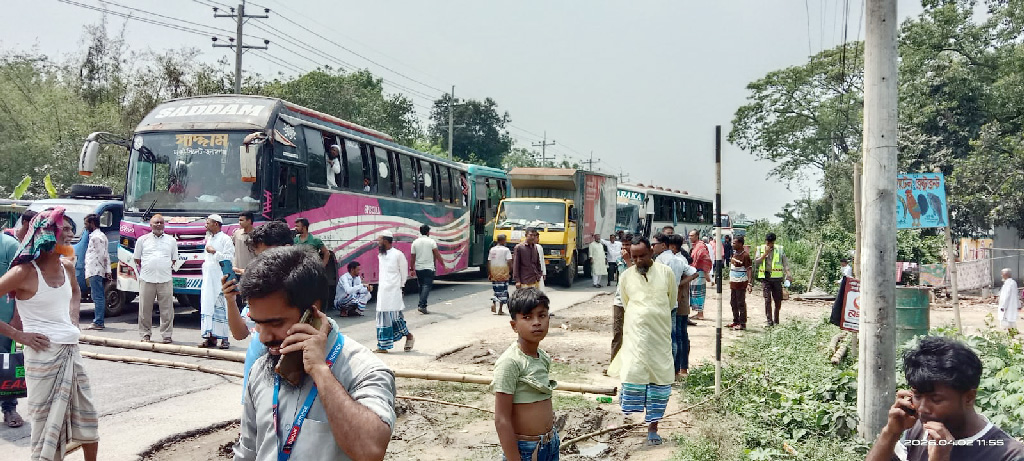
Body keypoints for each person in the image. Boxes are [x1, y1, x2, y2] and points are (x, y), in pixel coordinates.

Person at [233, 246, 396, 461]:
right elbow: (248, 451)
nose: (263, 337)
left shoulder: (365, 371)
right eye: (257, 323)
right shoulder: (261, 368)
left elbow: (370, 451)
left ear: (312, 313)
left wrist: (321, 372)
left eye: (275, 323)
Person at [0, 208, 99, 460]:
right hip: (42, 359)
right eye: (64, 229)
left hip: (71, 352)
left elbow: (76, 293)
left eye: (70, 229)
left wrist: (73, 318)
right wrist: (18, 335)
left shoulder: (67, 267)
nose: (70, 234)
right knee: (45, 429)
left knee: (87, 421)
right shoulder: (24, 273)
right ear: (46, 235)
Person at [865, 336, 1024, 461]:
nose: (922, 408)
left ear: (969, 397)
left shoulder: (1008, 454)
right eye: (918, 396)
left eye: (936, 399)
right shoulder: (918, 431)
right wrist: (891, 432)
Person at [608, 237, 678, 446]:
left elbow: (672, 301)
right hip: (635, 337)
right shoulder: (626, 276)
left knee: (659, 382)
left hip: (660, 338)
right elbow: (626, 303)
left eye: (642, 256)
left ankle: (653, 428)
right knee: (633, 375)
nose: (638, 260)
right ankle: (628, 417)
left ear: (651, 253)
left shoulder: (666, 273)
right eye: (634, 256)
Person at [222, 221, 293, 403]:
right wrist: (230, 301)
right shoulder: (260, 288)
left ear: (287, 249)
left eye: (267, 255)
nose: (263, 263)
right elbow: (240, 333)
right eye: (259, 257)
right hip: (254, 387)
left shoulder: (298, 293)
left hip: (282, 389)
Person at [493, 288, 559, 461]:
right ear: (514, 325)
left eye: (542, 315)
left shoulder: (542, 357)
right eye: (527, 317)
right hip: (525, 450)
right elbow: (501, 419)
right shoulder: (510, 362)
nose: (536, 322)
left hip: (549, 443)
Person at [653, 234, 698, 380]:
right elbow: (694, 273)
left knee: (665, 337)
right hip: (674, 303)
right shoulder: (678, 260)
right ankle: (674, 370)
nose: (653, 247)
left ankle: (668, 370)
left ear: (664, 245)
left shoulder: (660, 261)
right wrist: (678, 284)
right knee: (675, 336)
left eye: (655, 244)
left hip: (662, 303)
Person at [132, 214, 178, 343]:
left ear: (164, 225)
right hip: (147, 278)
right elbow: (137, 258)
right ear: (150, 225)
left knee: (167, 309)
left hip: (165, 279)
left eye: (161, 222)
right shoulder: (142, 240)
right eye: (156, 222)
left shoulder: (171, 241)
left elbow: (174, 259)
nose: (159, 225)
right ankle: (145, 334)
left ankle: (167, 335)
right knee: (144, 309)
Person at [373, 231, 414, 353]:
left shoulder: (398, 254)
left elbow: (403, 272)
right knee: (383, 318)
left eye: (379, 240)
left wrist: (401, 287)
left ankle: (409, 336)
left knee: (396, 318)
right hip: (383, 292)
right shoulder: (381, 255)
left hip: (394, 291)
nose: (378, 243)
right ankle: (382, 346)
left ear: (385, 241)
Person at [199, 214, 234, 349]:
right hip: (208, 278)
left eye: (208, 223)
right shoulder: (209, 238)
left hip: (220, 278)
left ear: (216, 224)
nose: (206, 225)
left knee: (222, 307)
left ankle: (224, 339)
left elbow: (228, 258)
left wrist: (214, 252)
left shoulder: (225, 239)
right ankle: (210, 337)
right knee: (208, 305)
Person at [0, 231, 23, 428]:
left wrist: (16, 317)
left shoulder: (8, 245)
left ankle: (9, 408)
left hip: (4, 319)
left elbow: (20, 284)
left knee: (5, 363)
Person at [753, 233, 792, 327]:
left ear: (773, 242)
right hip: (765, 277)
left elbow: (785, 263)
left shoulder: (779, 249)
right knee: (767, 299)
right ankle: (769, 321)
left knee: (778, 300)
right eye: (767, 242)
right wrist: (765, 254)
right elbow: (756, 262)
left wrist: (789, 275)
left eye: (770, 242)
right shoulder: (760, 249)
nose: (768, 244)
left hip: (777, 278)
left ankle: (776, 320)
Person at [81, 214, 111, 331]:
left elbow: (102, 255)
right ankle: (98, 321)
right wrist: (107, 270)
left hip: (95, 270)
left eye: (86, 224)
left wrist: (105, 270)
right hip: (96, 270)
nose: (85, 226)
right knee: (97, 295)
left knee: (98, 296)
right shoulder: (98, 235)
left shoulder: (96, 237)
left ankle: (98, 322)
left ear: (92, 223)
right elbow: (105, 255)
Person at [610, 233, 635, 362]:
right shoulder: (619, 259)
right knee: (617, 333)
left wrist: (628, 261)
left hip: (633, 302)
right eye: (623, 245)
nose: (625, 247)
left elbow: (636, 277)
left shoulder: (638, 260)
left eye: (628, 245)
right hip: (619, 300)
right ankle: (614, 363)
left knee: (632, 333)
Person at [411, 224, 443, 314]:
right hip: (429, 268)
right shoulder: (431, 242)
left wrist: (411, 268)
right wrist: (443, 264)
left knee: (421, 286)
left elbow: (412, 256)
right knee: (426, 286)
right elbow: (437, 254)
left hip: (418, 268)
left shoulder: (415, 242)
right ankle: (421, 305)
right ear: (428, 232)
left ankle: (423, 305)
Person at [687, 230, 713, 322]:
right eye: (689, 235)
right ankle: (698, 312)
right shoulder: (695, 246)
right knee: (695, 292)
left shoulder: (701, 246)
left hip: (700, 272)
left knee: (698, 293)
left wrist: (706, 272)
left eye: (692, 235)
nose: (690, 237)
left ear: (697, 236)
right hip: (695, 272)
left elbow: (706, 259)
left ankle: (700, 313)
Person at [489, 235, 514, 315]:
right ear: (503, 240)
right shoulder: (506, 250)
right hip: (503, 272)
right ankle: (500, 309)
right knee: (503, 291)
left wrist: (490, 273)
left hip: (494, 272)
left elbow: (489, 262)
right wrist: (510, 271)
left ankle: (494, 303)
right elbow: (509, 261)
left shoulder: (492, 250)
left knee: (496, 289)